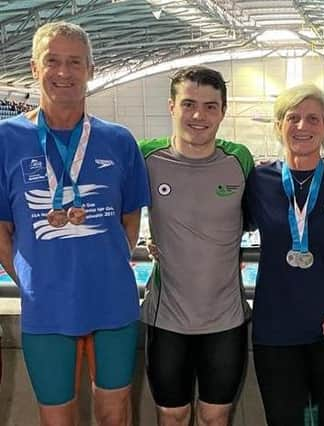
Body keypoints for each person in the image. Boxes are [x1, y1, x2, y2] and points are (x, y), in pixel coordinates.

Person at [0, 22, 149, 425]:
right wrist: (35, 279)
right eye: (53, 61)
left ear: (91, 69)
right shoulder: (6, 139)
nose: (63, 72)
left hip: (113, 300)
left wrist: (105, 264)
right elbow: (1, 230)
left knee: (115, 414)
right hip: (46, 306)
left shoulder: (119, 140)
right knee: (57, 418)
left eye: (74, 62)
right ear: (34, 68)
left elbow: (130, 219)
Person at [138, 66, 253, 426]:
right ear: (171, 107)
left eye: (210, 106)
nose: (198, 116)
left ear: (223, 111)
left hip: (226, 319)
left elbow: (255, 219)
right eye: (188, 104)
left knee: (215, 417)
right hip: (166, 318)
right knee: (172, 416)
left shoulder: (240, 160)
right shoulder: (146, 157)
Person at [244, 84, 324, 426]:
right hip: (275, 329)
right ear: (278, 125)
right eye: (292, 117)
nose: (302, 126)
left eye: (313, 118)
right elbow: (222, 230)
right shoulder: (258, 181)